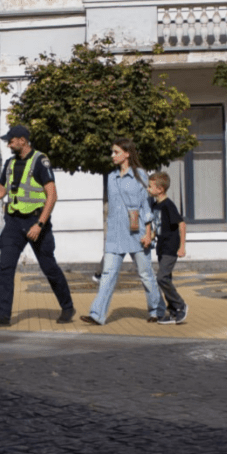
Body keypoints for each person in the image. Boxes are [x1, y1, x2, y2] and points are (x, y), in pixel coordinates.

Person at [0, 125, 75, 328]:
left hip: (36, 222)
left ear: (22, 140)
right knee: (6, 268)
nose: (8, 143)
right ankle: (3, 316)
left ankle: (67, 307)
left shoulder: (40, 161)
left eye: (11, 140)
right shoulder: (10, 163)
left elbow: (52, 196)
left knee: (49, 267)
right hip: (13, 223)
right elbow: (0, 192)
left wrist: (40, 224)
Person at [80, 139, 165, 325]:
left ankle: (157, 310)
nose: (112, 156)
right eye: (112, 152)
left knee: (145, 274)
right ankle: (97, 314)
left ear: (127, 154)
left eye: (116, 152)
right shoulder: (110, 177)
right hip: (115, 235)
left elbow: (146, 206)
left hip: (137, 232)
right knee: (108, 274)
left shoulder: (140, 175)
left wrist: (148, 233)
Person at [148, 171, 189, 325]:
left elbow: (182, 224)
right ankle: (173, 313)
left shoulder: (168, 205)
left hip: (171, 247)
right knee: (166, 279)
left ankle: (180, 305)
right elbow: (157, 225)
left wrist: (182, 246)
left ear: (160, 189)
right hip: (161, 247)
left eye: (150, 186)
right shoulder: (155, 204)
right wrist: (150, 236)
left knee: (162, 278)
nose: (148, 188)